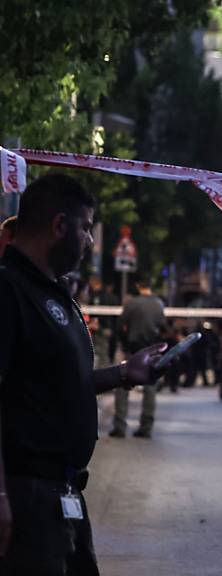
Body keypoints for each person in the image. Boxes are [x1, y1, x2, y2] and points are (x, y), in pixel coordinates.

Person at [0, 174, 167, 574]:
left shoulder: (54, 293)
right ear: (59, 226)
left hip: (63, 495)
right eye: (86, 228)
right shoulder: (9, 291)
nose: (91, 241)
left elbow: (63, 385)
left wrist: (125, 373)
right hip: (27, 497)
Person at [111, 278, 166, 439]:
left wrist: (124, 343)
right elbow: (163, 327)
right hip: (151, 350)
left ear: (138, 286)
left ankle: (120, 426)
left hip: (132, 349)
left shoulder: (132, 303)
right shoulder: (158, 304)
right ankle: (146, 427)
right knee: (150, 387)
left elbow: (120, 325)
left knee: (122, 384)